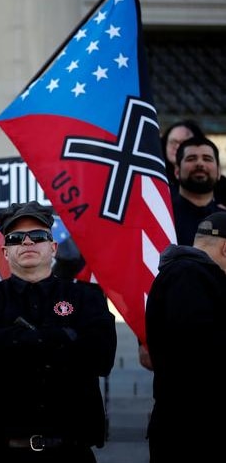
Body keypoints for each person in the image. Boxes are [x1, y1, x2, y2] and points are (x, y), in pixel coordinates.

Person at [0, 201, 116, 463]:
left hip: (70, 453)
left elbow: (101, 357)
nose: (28, 242)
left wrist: (12, 342)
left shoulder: (86, 297)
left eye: (38, 236)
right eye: (17, 238)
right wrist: (64, 336)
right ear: (6, 252)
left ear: (53, 247)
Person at [145, 211, 226, 463]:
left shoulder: (191, 275)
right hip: (191, 431)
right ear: (225, 248)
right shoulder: (189, 275)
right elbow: (197, 348)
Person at [171, 135, 224, 245]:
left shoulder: (224, 218)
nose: (200, 163)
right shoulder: (162, 217)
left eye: (207, 159)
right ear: (177, 171)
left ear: (219, 172)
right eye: (191, 159)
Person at [160, 119, 203, 191]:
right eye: (173, 142)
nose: (177, 146)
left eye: (184, 142)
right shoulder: (156, 179)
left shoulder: (217, 185)